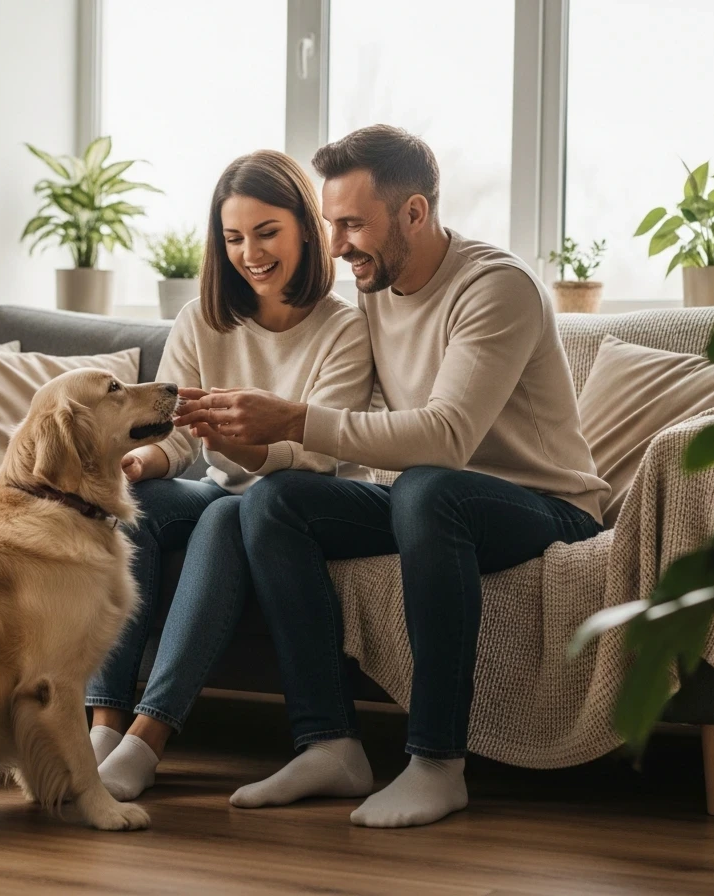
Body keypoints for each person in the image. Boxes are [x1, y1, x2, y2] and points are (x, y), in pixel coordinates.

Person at [174, 125, 610, 828]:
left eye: (353, 224)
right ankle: (329, 743)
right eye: (331, 223)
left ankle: (437, 762)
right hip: (430, 503)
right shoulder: (372, 285)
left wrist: (292, 419)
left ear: (415, 213)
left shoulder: (495, 286)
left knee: (426, 485)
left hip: (544, 506)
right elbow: (342, 415)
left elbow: (445, 436)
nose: (337, 244)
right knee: (277, 503)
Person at [86, 149, 375, 801]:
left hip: (301, 498)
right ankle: (104, 723)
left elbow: (318, 457)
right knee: (144, 500)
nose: (252, 253)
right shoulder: (202, 318)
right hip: (224, 486)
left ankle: (148, 739)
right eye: (234, 237)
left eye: (267, 232)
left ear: (306, 226)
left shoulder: (344, 328)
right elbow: (181, 437)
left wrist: (240, 446)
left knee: (227, 510)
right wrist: (143, 460)